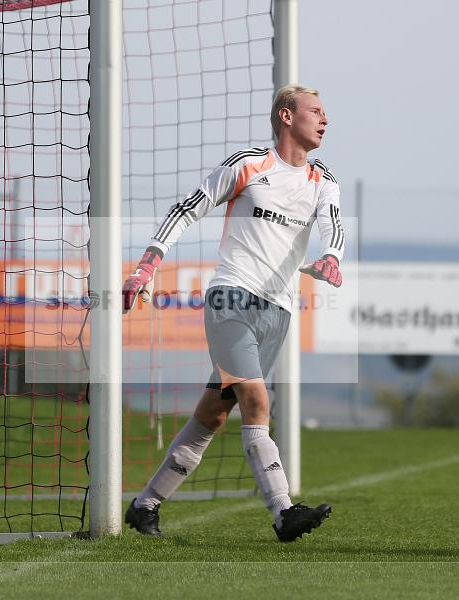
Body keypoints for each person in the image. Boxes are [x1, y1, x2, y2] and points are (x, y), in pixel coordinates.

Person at [122, 85, 343, 542]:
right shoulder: (248, 164)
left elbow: (332, 226)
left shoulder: (323, 179)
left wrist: (332, 258)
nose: (325, 120)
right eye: (316, 112)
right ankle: (284, 512)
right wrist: (148, 265)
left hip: (278, 310)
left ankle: (145, 505)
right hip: (231, 299)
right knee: (258, 403)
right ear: (286, 116)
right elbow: (187, 208)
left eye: (326, 114)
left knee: (213, 415)